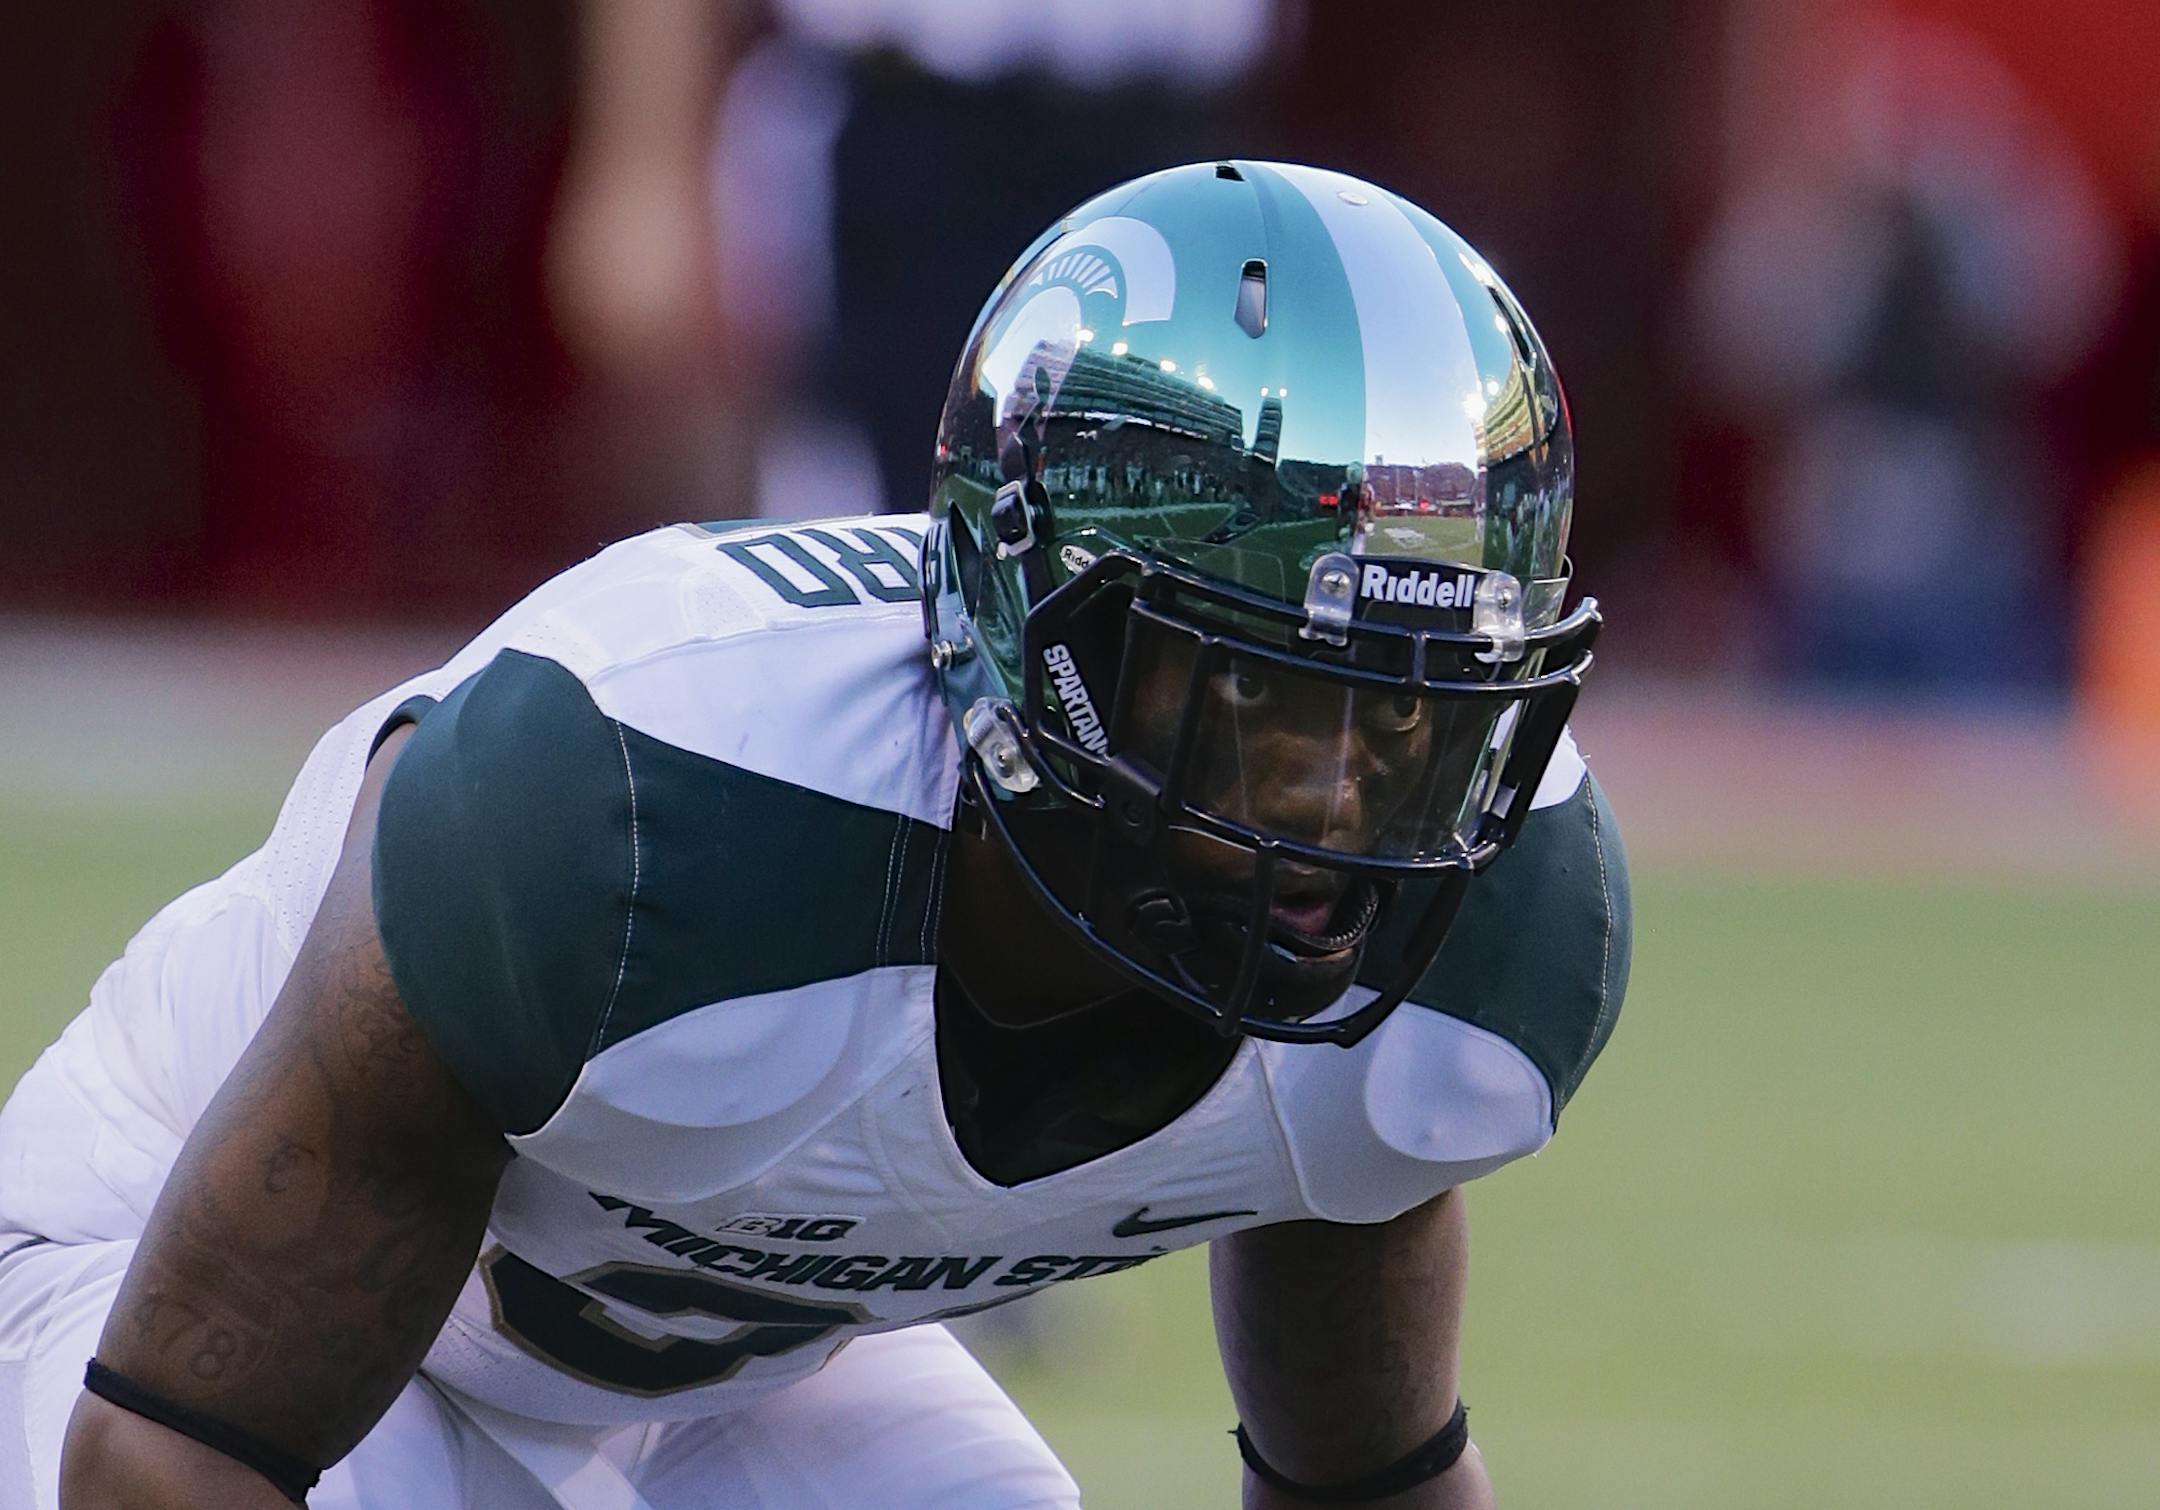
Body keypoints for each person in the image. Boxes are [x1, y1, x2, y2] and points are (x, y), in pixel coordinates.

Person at [3, 162, 1630, 1508]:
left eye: (1412, 716)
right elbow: (166, 1453)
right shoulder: (640, 811)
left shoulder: (1472, 937)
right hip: (149, 1296)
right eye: (1265, 705)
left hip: (717, 1367)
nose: (1345, 805)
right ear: (1048, 640)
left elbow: (1372, 1480)